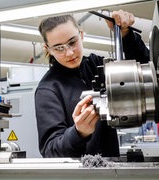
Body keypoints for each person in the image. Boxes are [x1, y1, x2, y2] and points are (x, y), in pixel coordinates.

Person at [35, 10, 149, 158]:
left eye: (72, 42)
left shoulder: (97, 66)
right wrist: (78, 133)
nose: (69, 53)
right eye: (59, 48)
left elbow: (143, 73)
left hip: (112, 168)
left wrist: (126, 35)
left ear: (81, 35)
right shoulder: (48, 89)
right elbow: (50, 151)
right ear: (48, 49)